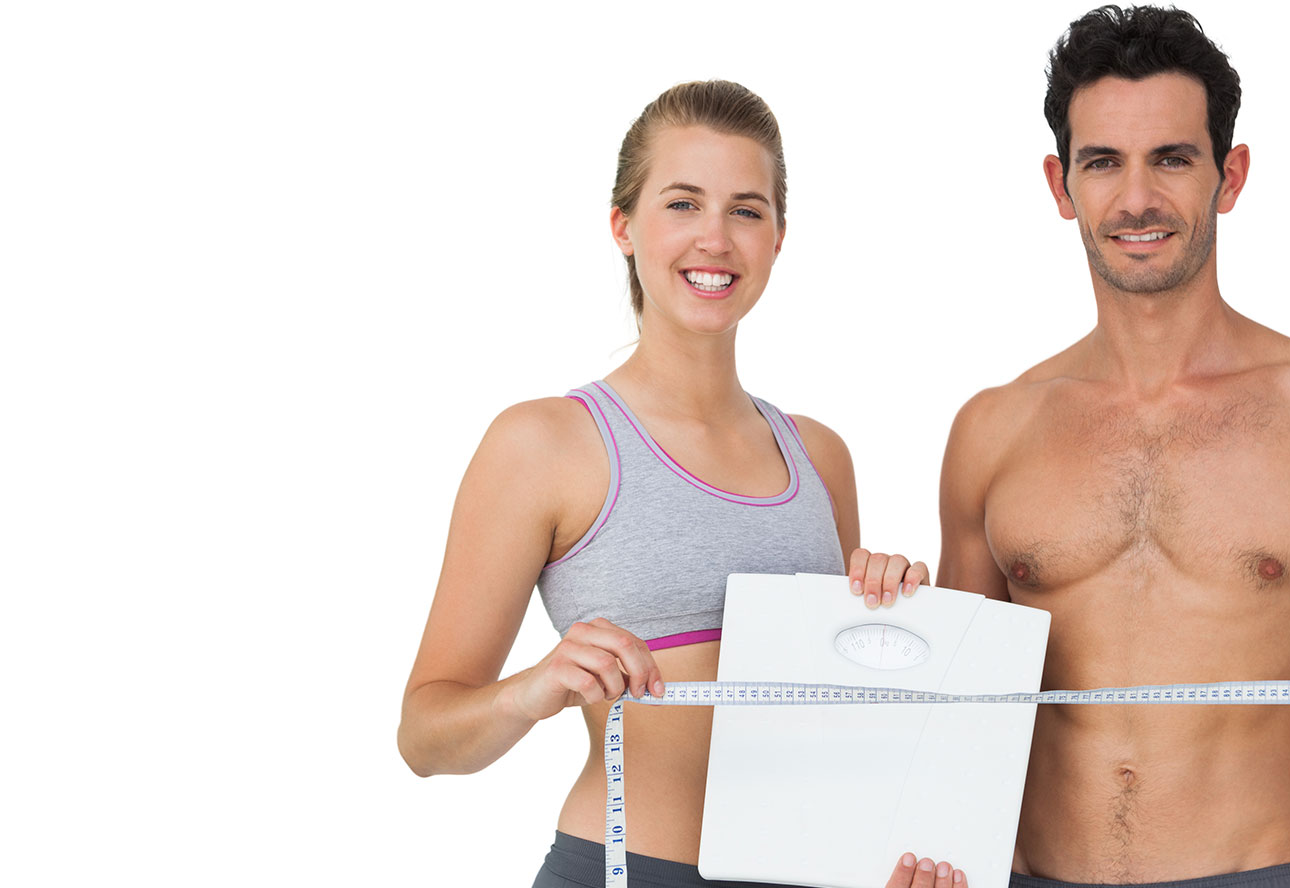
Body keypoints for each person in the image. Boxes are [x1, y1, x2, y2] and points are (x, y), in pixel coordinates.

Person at [856, 6, 1290, 886]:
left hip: (1254, 870)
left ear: (1231, 175)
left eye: (1173, 158)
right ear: (1060, 185)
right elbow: (959, 714)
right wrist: (880, 615)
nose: (1137, 199)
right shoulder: (992, 431)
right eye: (1102, 162)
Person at [396, 81, 937, 888]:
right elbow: (423, 737)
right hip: (621, 867)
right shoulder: (544, 445)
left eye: (746, 210)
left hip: (812, 876)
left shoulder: (821, 456)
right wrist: (531, 690)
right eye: (683, 204)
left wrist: (896, 612)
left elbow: (846, 714)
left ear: (778, 238)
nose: (715, 238)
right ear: (623, 225)